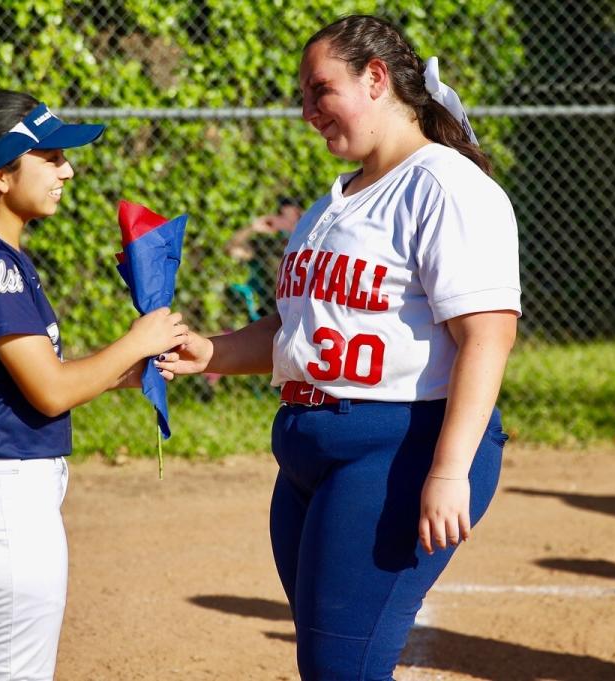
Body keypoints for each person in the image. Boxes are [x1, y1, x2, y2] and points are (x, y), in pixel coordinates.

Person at [158, 14, 520, 680]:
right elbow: (294, 331)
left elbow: (488, 335)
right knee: (331, 660)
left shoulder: (445, 186)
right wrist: (208, 351)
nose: (307, 111)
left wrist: (447, 471)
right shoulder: (333, 204)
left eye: (319, 89)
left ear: (376, 77)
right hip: (309, 454)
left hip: (397, 448)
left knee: (339, 666)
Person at [0, 90, 188, 681]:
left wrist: (125, 372)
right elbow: (51, 391)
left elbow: (21, 378)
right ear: (2, 174)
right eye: (51, 157)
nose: (68, 169)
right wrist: (136, 341)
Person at [225, 197, 303, 319]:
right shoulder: (266, 246)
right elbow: (231, 249)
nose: (282, 220)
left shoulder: (309, 243)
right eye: (280, 215)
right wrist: (252, 228)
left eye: (287, 216)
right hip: (271, 313)